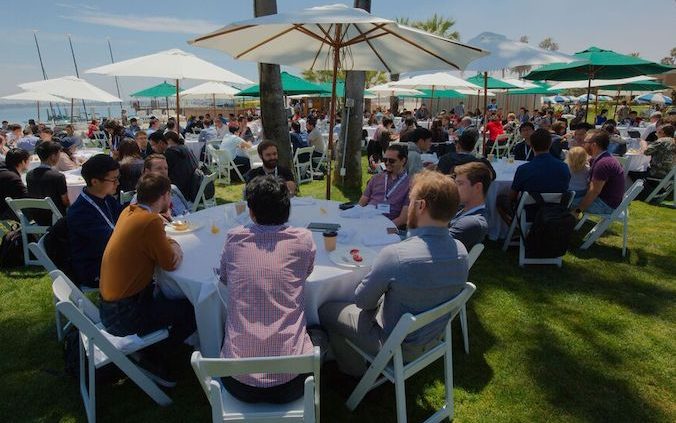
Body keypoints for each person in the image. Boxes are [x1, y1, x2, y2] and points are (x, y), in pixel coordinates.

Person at [319, 170, 469, 376]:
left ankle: (352, 372)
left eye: (411, 200)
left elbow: (363, 302)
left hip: (394, 344)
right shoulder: (461, 251)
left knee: (326, 309)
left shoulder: (396, 255)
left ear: (421, 206)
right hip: (433, 336)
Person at [218, 175, 316, 403]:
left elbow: (224, 278)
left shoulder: (233, 239)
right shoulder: (303, 239)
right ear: (287, 208)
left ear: (251, 212)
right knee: (320, 330)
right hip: (294, 382)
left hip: (237, 382)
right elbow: (306, 273)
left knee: (226, 329)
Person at [99, 173, 196, 386]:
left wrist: (166, 241)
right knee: (191, 309)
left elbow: (157, 242)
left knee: (169, 296)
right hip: (125, 314)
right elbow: (171, 262)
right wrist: (176, 246)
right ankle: (153, 357)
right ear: (165, 196)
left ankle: (152, 350)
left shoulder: (129, 211)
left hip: (109, 306)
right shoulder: (150, 220)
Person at [67, 154, 123, 288]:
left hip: (110, 257)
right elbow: (110, 242)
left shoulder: (106, 198)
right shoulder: (81, 212)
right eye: (114, 179)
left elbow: (124, 218)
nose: (118, 183)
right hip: (94, 269)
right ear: (95, 182)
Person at [498, 129, 571, 224]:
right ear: (550, 145)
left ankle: (516, 229)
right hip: (556, 211)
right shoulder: (564, 167)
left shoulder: (524, 169)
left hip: (529, 213)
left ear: (531, 146)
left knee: (500, 200)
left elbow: (512, 196)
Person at [571, 129, 625, 216]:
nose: (583, 144)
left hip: (605, 205)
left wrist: (578, 211)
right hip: (608, 200)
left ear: (593, 145)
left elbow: (594, 191)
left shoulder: (602, 164)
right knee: (570, 196)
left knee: (566, 200)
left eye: (585, 142)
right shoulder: (603, 157)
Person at [359, 144, 410, 227]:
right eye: (385, 160)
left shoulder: (410, 184)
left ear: (403, 161)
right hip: (366, 222)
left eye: (391, 161)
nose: (387, 163)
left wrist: (383, 228)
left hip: (390, 227)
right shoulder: (376, 178)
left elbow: (403, 219)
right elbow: (361, 203)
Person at [450, 162, 491, 250]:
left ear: (477, 187)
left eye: (460, 184)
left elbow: (436, 245)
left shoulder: (472, 223)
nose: (454, 187)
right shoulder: (462, 210)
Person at [26, 141, 70, 223]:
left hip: (37, 217)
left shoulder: (29, 175)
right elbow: (65, 201)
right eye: (58, 155)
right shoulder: (58, 177)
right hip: (56, 217)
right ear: (53, 156)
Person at [163, 131, 197, 201]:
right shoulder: (186, 148)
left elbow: (166, 171)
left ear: (169, 140)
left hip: (182, 187)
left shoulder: (171, 152)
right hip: (193, 183)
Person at [0, 148, 30, 220]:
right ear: (23, 162)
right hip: (4, 217)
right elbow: (27, 197)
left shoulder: (4, 171)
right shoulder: (12, 178)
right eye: (29, 160)